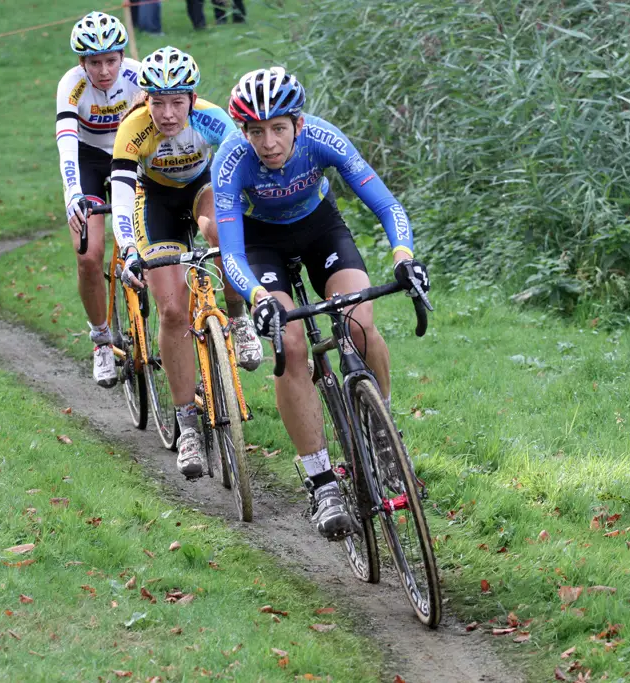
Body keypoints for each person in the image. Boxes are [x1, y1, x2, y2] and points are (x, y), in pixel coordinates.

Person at [212, 67, 432, 540]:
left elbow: (387, 204)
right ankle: (320, 481)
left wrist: (404, 257)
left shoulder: (324, 140)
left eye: (278, 129)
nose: (268, 142)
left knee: (357, 320)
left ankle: (383, 436)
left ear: (298, 123)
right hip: (261, 244)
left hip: (320, 229)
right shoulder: (231, 162)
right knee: (289, 344)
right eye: (255, 131)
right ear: (243, 131)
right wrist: (256, 297)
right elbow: (230, 253)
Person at [107, 47, 263, 479]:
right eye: (158, 102)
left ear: (192, 99)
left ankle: (238, 318)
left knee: (219, 233)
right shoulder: (133, 130)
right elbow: (121, 195)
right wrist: (129, 249)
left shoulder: (213, 119)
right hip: (154, 203)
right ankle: (187, 425)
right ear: (146, 100)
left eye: (177, 101)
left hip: (201, 188)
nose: (168, 113)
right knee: (173, 310)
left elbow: (241, 169)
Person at [55, 12, 143, 387]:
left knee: (150, 239)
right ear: (82, 63)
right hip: (89, 160)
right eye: (95, 63)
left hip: (131, 155)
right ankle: (101, 338)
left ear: (122, 56)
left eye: (111, 60)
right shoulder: (72, 85)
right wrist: (73, 192)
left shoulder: (139, 76)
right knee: (88, 256)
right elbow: (68, 143)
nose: (105, 70)